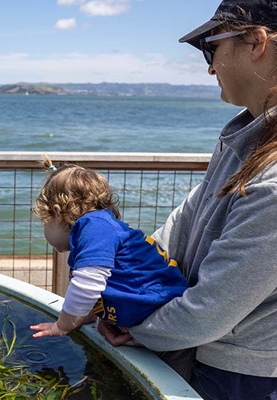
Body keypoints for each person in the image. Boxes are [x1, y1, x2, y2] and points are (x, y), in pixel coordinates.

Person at [96, 1, 277, 399]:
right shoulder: (243, 137)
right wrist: (118, 288)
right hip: (208, 355)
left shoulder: (272, 179)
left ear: (257, 43)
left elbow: (212, 308)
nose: (210, 67)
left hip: (243, 376)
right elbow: (183, 224)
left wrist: (134, 326)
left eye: (211, 48)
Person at [29, 157, 188, 338]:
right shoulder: (101, 226)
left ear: (57, 212)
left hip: (163, 314)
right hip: (158, 309)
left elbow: (87, 285)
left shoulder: (94, 226)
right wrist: (86, 315)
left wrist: (61, 326)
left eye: (44, 222)